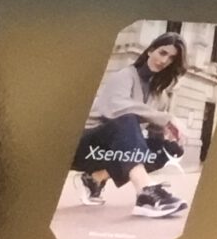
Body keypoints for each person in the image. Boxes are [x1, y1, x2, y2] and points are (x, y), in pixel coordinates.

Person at [74, 31, 190, 216]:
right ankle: (145, 193)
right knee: (126, 118)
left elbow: (152, 131)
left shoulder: (160, 96)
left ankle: (95, 178)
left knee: (171, 149)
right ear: (150, 50)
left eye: (171, 59)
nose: (164, 60)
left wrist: (167, 134)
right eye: (162, 53)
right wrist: (167, 118)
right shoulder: (124, 75)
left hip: (113, 152)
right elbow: (116, 108)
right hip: (84, 147)